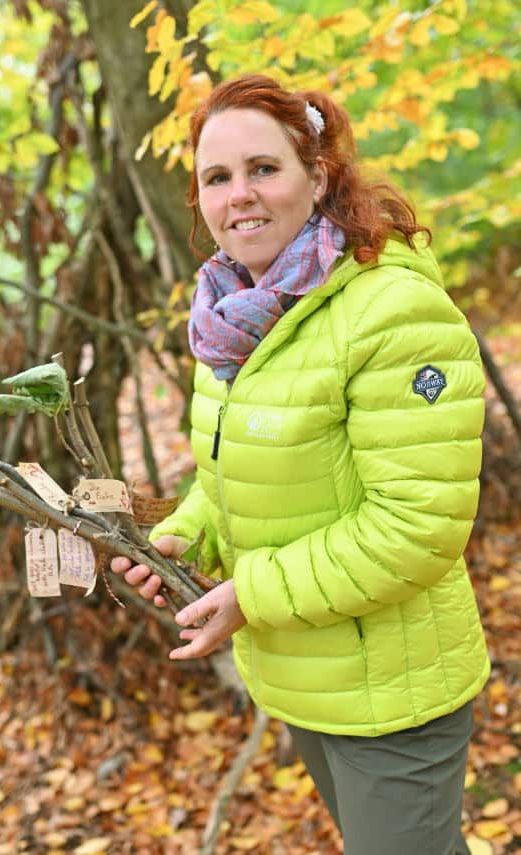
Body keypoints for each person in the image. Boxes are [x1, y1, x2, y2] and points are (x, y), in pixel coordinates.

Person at [111, 74, 489, 854]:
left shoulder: (391, 312)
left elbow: (417, 527)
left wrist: (250, 593)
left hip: (395, 688)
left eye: (263, 168)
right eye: (217, 177)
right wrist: (188, 531)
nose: (239, 195)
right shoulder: (227, 320)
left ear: (316, 178)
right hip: (308, 676)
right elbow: (246, 477)